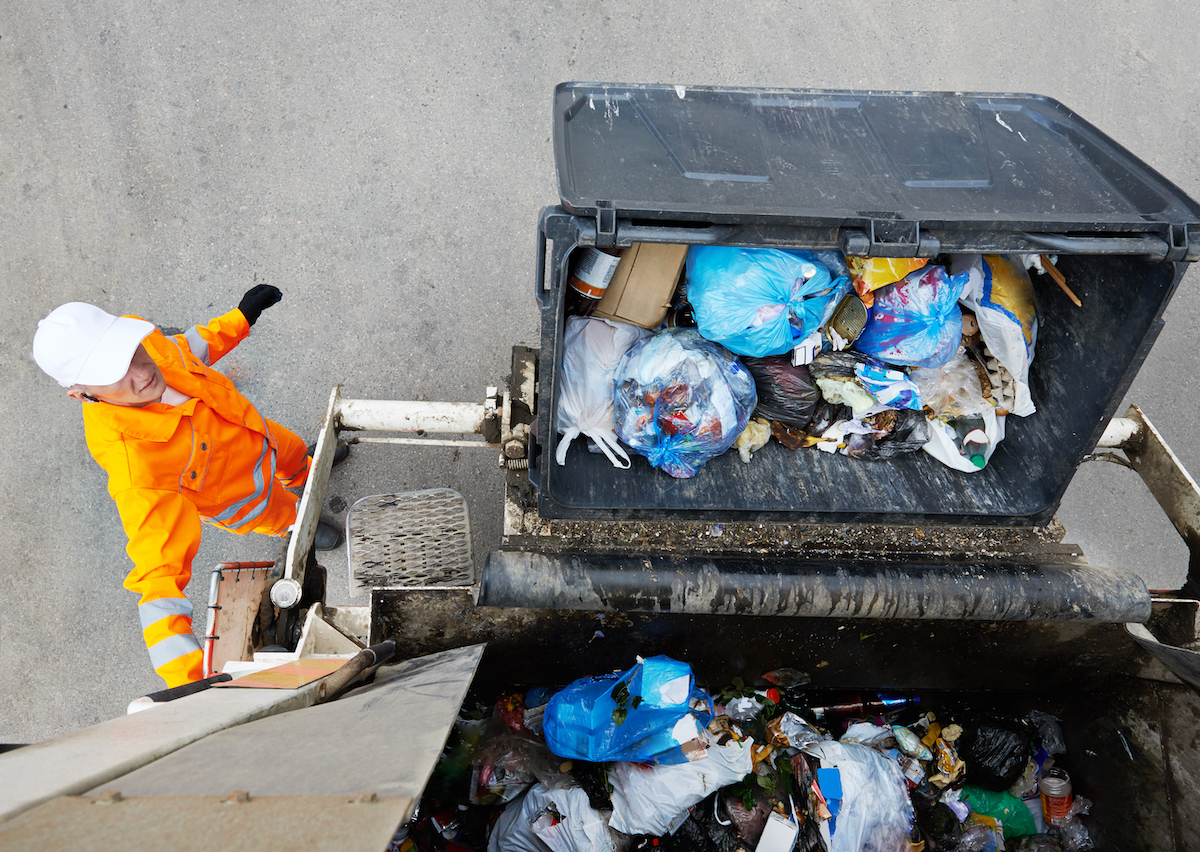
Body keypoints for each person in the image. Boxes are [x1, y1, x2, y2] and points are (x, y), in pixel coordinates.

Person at [33, 285, 345, 689]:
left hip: (263, 437)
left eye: (132, 354)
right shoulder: (137, 470)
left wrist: (239, 320)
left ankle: (307, 472)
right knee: (290, 516)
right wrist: (187, 683)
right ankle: (299, 522)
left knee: (299, 458)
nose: (143, 372)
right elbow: (158, 580)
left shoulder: (146, 345)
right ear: (82, 395)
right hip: (253, 502)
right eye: (115, 373)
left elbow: (190, 348)